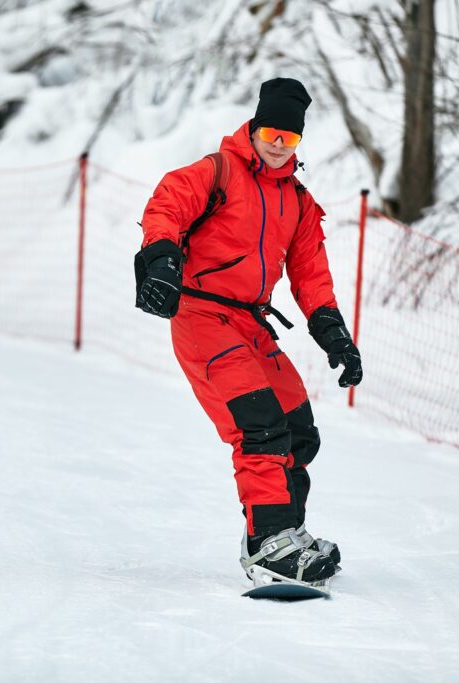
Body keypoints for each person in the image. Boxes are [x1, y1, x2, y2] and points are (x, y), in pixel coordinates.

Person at [134, 77, 362, 587]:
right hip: (201, 315)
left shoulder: (298, 202)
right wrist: (162, 260)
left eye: (291, 138)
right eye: (272, 134)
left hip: (250, 321)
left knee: (297, 428)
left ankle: (286, 531)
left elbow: (311, 273)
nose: (279, 146)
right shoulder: (218, 172)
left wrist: (334, 334)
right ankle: (267, 547)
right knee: (258, 426)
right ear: (255, 128)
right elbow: (166, 204)